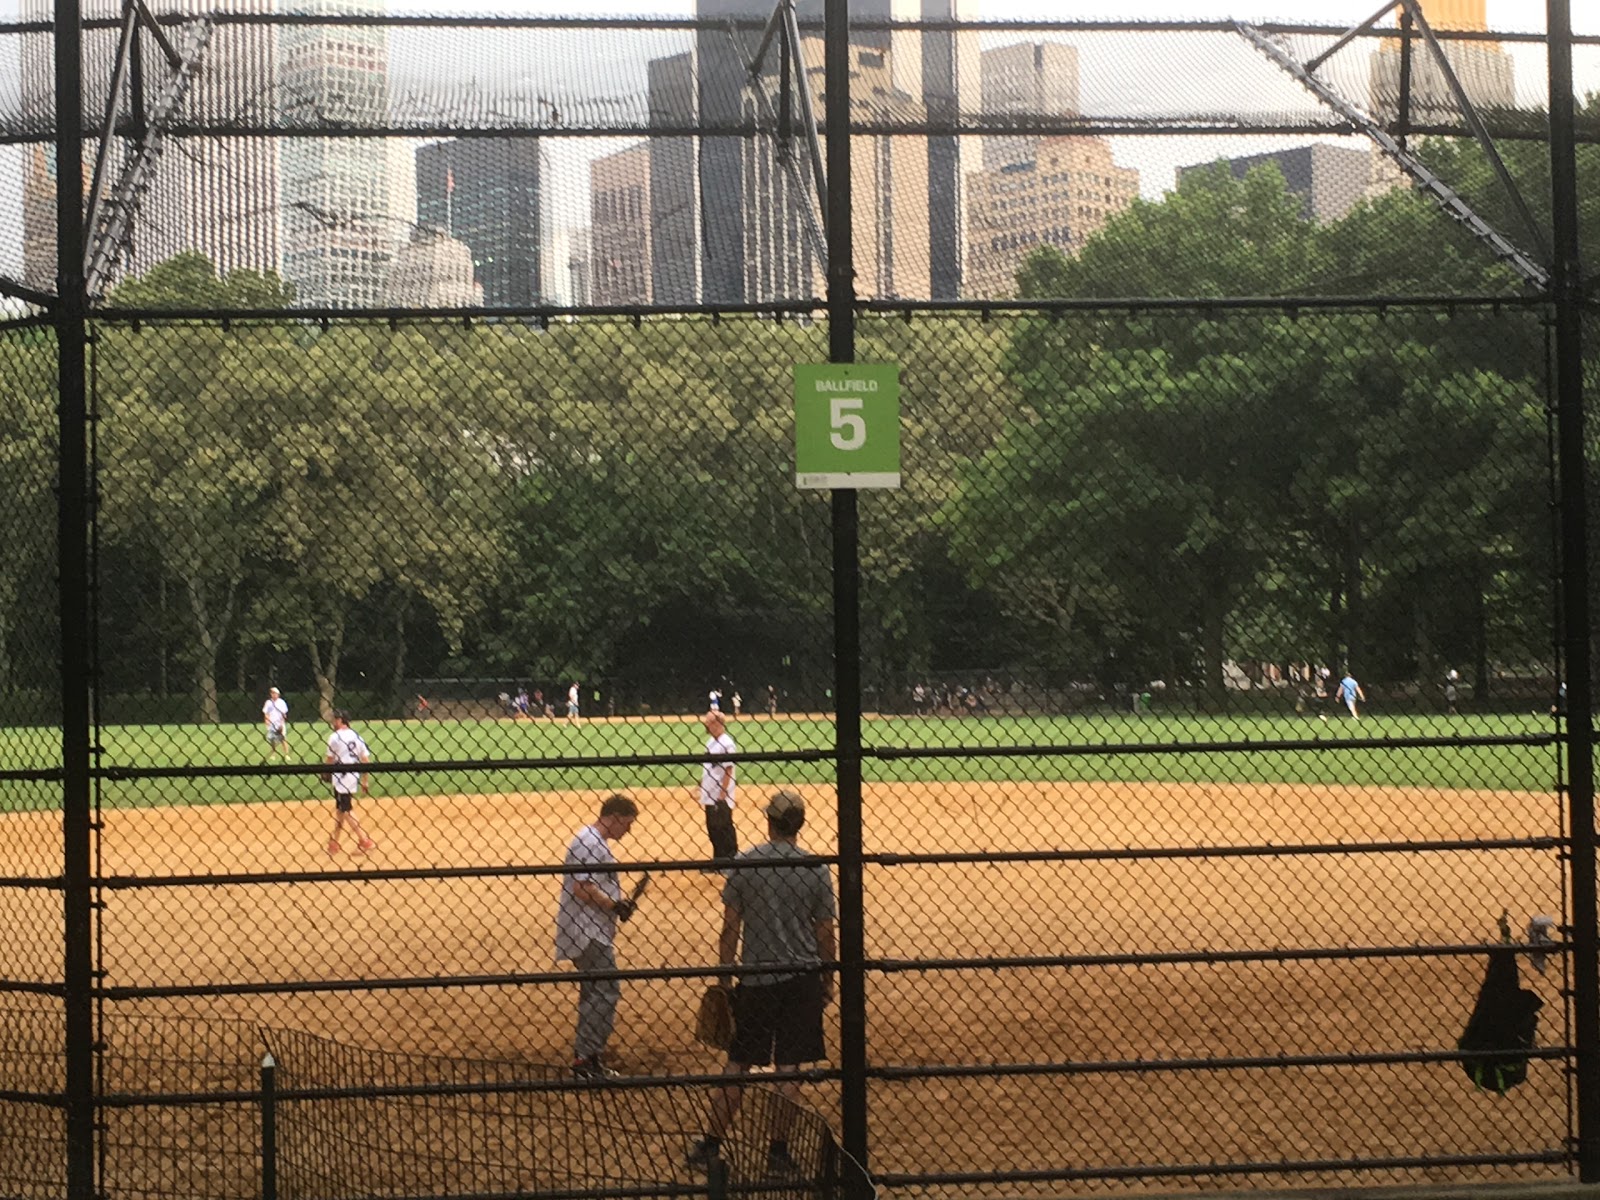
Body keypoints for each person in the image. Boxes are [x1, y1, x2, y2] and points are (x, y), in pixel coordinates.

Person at [686, 790, 837, 1179]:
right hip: (801, 977)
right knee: (789, 1067)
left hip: (756, 977)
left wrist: (724, 977)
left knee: (738, 1063)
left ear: (769, 821)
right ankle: (778, 1153)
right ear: (800, 824)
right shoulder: (816, 869)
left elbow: (730, 927)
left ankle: (711, 1143)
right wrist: (827, 976)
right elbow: (825, 932)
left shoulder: (746, 863)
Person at [553, 792, 640, 1079]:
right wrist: (614, 905)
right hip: (586, 930)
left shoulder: (592, 840)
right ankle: (585, 1059)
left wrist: (617, 906)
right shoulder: (589, 842)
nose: (628, 830)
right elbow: (583, 887)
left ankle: (588, 1058)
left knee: (594, 992)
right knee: (606, 989)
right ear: (613, 817)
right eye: (626, 823)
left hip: (589, 928)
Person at [325, 709, 375, 856]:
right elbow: (365, 760)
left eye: (335, 719)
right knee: (341, 809)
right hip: (353, 776)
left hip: (341, 778)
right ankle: (334, 842)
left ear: (341, 720)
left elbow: (329, 759)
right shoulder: (356, 736)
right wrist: (365, 781)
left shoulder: (334, 737)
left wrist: (325, 772)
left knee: (346, 809)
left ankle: (364, 840)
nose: (333, 722)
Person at [699, 710, 739, 866]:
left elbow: (729, 769)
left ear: (717, 723)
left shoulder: (727, 743)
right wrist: (700, 785)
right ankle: (718, 860)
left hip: (720, 793)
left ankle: (731, 859)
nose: (706, 726)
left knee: (724, 826)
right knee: (712, 827)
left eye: (708, 723)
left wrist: (723, 793)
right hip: (709, 792)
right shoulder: (710, 741)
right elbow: (708, 767)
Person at [261, 687, 291, 759]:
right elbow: (266, 713)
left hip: (279, 723)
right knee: (272, 740)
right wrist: (267, 722)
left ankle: (286, 754)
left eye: (276, 693)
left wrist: (281, 723)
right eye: (273, 693)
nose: (274, 695)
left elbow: (284, 714)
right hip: (271, 724)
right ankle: (273, 754)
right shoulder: (268, 702)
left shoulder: (281, 702)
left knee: (283, 739)